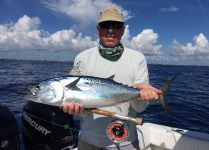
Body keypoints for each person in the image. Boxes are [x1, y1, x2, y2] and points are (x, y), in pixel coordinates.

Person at [63, 6, 162, 150]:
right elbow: (75, 99)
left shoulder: (137, 58)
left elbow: (139, 109)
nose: (111, 30)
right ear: (98, 29)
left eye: (117, 26)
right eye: (105, 25)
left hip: (125, 141)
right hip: (87, 141)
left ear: (123, 30)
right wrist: (73, 109)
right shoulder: (83, 58)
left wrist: (141, 96)